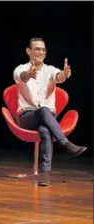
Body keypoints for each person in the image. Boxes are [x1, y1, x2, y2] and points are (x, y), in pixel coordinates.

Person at [13, 37, 87, 186]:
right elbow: (22, 77)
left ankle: (45, 174)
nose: (41, 52)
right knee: (43, 110)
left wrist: (64, 74)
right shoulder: (20, 69)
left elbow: (58, 77)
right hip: (28, 117)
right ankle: (65, 144)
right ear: (29, 51)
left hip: (47, 117)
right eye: (37, 49)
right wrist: (29, 74)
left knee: (45, 131)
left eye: (43, 50)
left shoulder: (50, 70)